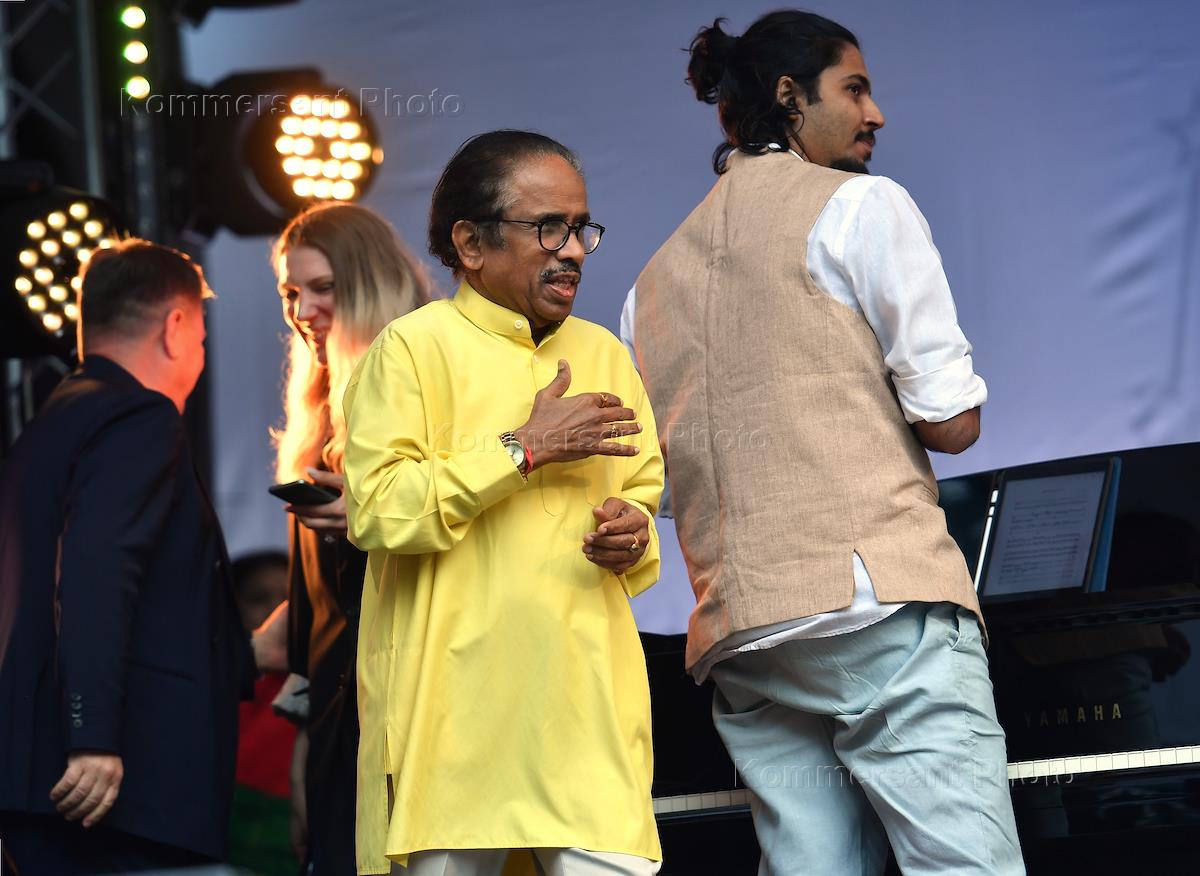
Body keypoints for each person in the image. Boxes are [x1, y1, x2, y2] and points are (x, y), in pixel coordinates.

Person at [629, 11, 1024, 875]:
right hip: (877, 606)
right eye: (855, 88)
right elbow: (950, 423)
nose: (875, 113)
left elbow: (664, 482)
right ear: (789, 97)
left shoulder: (650, 282)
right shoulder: (863, 207)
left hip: (744, 635)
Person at [342, 130, 665, 876]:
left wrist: (634, 533)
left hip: (586, 715)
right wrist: (522, 450)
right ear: (470, 243)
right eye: (548, 227)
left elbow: (642, 493)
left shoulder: (604, 353)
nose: (574, 250)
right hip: (452, 726)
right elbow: (379, 509)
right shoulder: (412, 349)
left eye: (580, 228)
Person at [0, 240, 288, 874]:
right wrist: (93, 736)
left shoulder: (52, 424)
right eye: (203, 337)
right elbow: (97, 571)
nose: (201, 353)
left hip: (48, 784)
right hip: (113, 792)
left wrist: (248, 655)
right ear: (176, 326)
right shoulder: (139, 416)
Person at [270, 202, 431, 874]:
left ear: (370, 284)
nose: (302, 310)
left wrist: (378, 514)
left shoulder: (429, 383)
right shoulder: (319, 414)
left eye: (323, 288)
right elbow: (319, 613)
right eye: (291, 292)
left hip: (417, 725)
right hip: (343, 728)